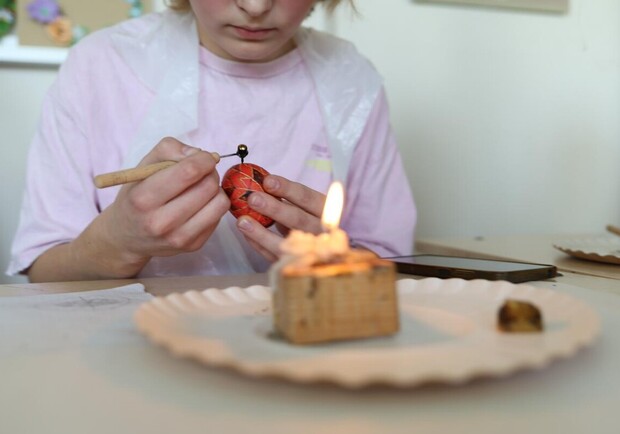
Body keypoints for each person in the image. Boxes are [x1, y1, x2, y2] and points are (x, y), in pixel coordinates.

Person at [8, 0, 416, 282]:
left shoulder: (350, 83)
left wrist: (337, 266)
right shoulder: (101, 66)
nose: (255, 6)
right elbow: (42, 271)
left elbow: (396, 267)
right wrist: (116, 242)